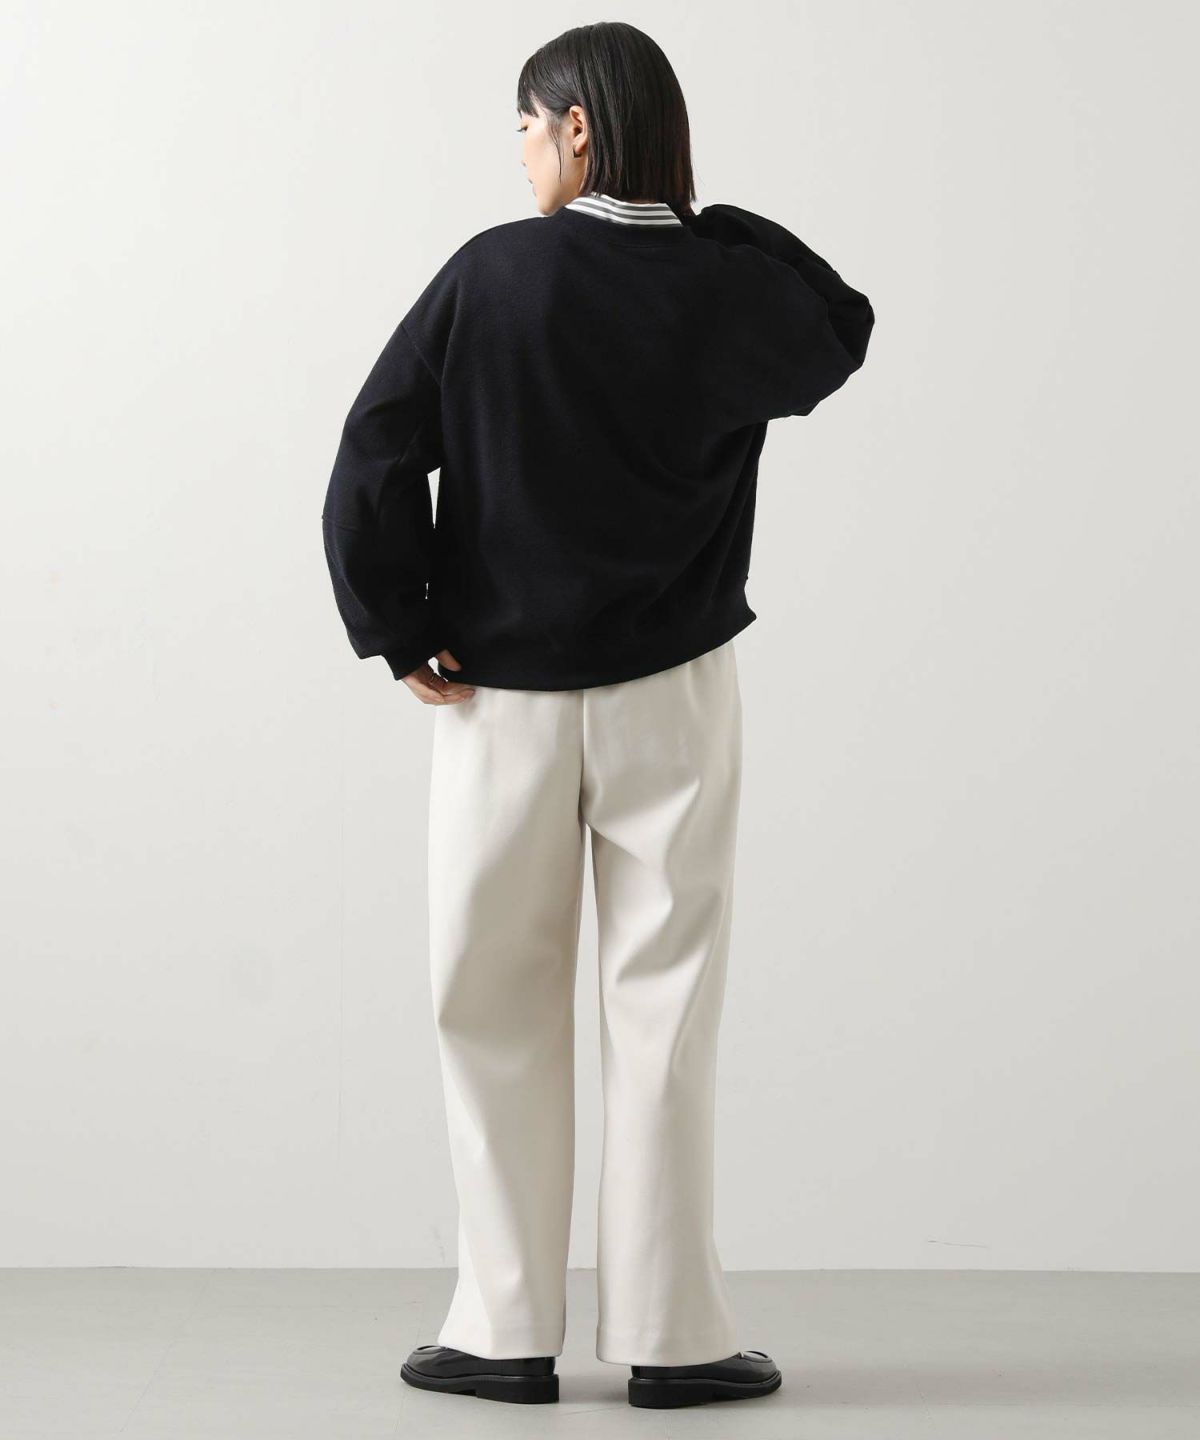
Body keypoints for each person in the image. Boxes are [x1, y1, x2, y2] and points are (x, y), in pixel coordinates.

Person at [321, 20, 874, 1411]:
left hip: (493, 695)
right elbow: (840, 326)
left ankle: (502, 1328)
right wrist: (699, 217)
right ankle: (675, 1337)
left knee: (491, 1003)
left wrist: (399, 622)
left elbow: (374, 449)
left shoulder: (492, 275)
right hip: (674, 694)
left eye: (527, 124)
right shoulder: (721, 288)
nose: (518, 153)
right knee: (665, 1011)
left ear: (577, 127)